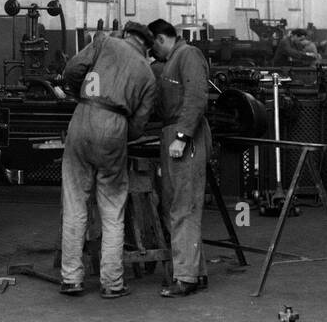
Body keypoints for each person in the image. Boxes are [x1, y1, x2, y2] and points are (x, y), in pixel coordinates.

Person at [58, 21, 157, 299]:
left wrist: (83, 95)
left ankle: (71, 279)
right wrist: (119, 131)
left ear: (126, 34)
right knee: (112, 210)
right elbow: (139, 124)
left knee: (75, 202)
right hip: (115, 126)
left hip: (83, 116)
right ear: (147, 46)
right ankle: (112, 284)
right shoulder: (148, 75)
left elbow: (71, 70)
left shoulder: (105, 42)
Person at [148, 19, 212, 298]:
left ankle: (185, 278)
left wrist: (182, 136)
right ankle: (195, 272)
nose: (153, 53)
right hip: (173, 132)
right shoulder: (173, 60)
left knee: (183, 206)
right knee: (179, 204)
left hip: (185, 135)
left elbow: (197, 96)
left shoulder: (188, 55)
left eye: (153, 46)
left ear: (161, 39)